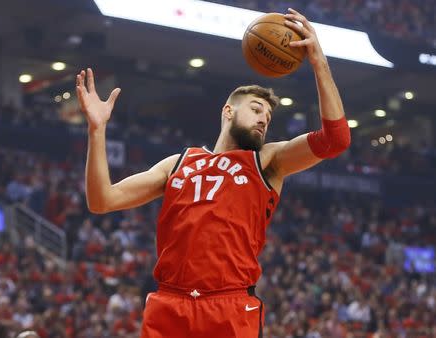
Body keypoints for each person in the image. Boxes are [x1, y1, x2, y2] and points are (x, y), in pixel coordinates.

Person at [76, 8, 351, 338]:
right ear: (228, 111)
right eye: (255, 109)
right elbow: (101, 200)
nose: (264, 119)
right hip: (170, 304)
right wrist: (96, 130)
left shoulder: (268, 160)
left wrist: (318, 60)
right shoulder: (178, 163)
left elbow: (335, 140)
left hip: (229, 306)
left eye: (268, 116)